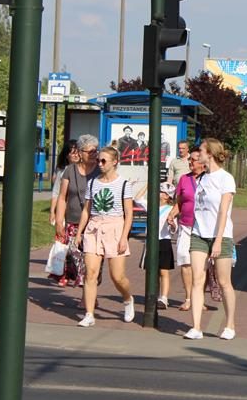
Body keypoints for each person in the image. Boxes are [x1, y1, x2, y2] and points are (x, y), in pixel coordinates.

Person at [75, 146, 137, 327]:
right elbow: (87, 210)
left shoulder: (123, 184)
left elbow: (128, 213)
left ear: (114, 162)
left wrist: (124, 237)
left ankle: (127, 298)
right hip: (94, 227)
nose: (99, 164)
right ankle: (89, 313)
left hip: (115, 227)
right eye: (98, 160)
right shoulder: (93, 183)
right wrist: (79, 232)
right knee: (90, 273)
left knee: (117, 276)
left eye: (104, 161)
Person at [183, 138, 238, 340]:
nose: (198, 154)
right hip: (199, 233)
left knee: (224, 282)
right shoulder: (202, 178)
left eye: (201, 150)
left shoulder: (226, 179)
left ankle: (230, 324)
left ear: (210, 154)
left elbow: (223, 211)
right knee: (197, 278)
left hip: (221, 236)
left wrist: (217, 240)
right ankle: (196, 327)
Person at [52, 135, 99, 287]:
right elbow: (62, 197)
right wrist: (59, 221)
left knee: (93, 261)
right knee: (77, 259)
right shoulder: (70, 171)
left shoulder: (100, 171)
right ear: (80, 152)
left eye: (95, 151)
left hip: (95, 223)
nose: (93, 154)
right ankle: (87, 291)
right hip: (73, 222)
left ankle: (88, 296)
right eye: (89, 151)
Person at [168, 146, 204, 311]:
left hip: (203, 228)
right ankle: (189, 297)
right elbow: (180, 202)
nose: (190, 162)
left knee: (201, 264)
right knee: (184, 259)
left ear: (202, 163)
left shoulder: (209, 179)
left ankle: (200, 298)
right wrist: (172, 214)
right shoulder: (184, 179)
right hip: (186, 225)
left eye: (193, 160)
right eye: (190, 160)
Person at [144, 184, 177, 309]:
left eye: (162, 192)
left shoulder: (170, 209)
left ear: (167, 196)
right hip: (151, 242)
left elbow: (175, 229)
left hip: (164, 241)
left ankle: (164, 298)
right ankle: (153, 295)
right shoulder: (151, 206)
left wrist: (172, 224)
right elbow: (137, 199)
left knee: (164, 271)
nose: (159, 193)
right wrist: (147, 185)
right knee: (152, 271)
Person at [49, 139, 79, 220]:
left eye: (78, 153)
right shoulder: (62, 171)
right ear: (67, 155)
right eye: (73, 153)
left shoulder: (85, 170)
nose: (76, 155)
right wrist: (52, 211)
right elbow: (56, 191)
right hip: (65, 210)